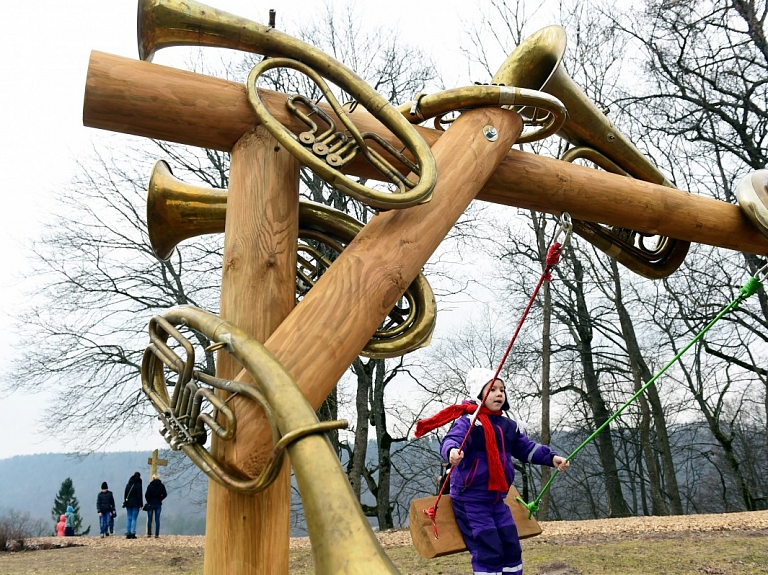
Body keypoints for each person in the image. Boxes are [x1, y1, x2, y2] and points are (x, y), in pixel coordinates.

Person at [415, 367, 570, 575]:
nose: (499, 394)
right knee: (488, 549)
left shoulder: (507, 426)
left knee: (510, 545)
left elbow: (525, 448)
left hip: (497, 499)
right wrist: (452, 452)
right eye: (492, 389)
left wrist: (552, 458)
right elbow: (452, 440)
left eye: (502, 389)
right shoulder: (469, 423)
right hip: (471, 501)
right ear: (479, 394)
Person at [144, 474, 167, 538]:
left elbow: (146, 495)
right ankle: (157, 534)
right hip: (158, 503)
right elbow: (165, 494)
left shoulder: (150, 486)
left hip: (151, 504)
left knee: (150, 519)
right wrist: (160, 499)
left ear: (153, 478)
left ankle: (149, 533)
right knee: (157, 519)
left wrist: (148, 501)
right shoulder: (161, 486)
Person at [122, 471, 143, 539]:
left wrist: (125, 502)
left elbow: (125, 495)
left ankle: (128, 533)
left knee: (129, 518)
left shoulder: (128, 485)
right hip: (136, 504)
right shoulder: (138, 485)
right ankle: (133, 533)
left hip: (128, 504)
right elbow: (140, 496)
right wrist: (140, 505)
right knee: (134, 518)